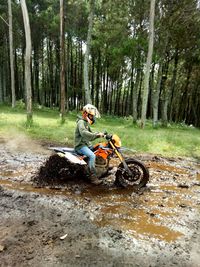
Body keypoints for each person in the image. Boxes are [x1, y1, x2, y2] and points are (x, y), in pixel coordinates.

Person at [74, 104, 104, 185]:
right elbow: (84, 133)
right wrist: (97, 135)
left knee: (100, 148)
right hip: (80, 146)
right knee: (92, 155)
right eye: (91, 116)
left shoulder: (85, 123)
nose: (92, 118)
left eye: (92, 116)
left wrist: (99, 134)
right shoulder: (81, 122)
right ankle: (93, 177)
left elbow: (90, 134)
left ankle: (103, 168)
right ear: (85, 114)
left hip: (86, 145)